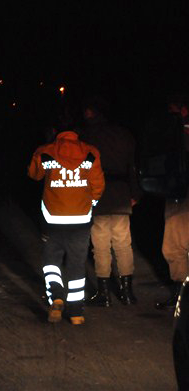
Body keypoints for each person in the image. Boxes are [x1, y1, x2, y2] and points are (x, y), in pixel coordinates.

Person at [28, 120, 105, 325]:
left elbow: (34, 175)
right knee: (77, 264)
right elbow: (98, 186)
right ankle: (76, 313)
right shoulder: (90, 152)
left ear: (55, 131)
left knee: (51, 260)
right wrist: (90, 204)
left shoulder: (46, 151)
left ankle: (56, 297)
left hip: (52, 218)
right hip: (81, 219)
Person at [79, 97, 142, 306]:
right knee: (123, 243)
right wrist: (135, 193)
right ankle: (127, 292)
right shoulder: (124, 134)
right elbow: (132, 166)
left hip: (98, 196)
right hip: (121, 194)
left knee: (101, 245)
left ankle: (104, 294)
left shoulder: (87, 137)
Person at [152, 95, 189, 309]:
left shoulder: (177, 129)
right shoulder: (174, 130)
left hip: (181, 191)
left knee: (174, 247)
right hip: (178, 188)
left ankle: (181, 297)